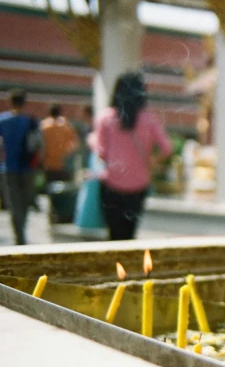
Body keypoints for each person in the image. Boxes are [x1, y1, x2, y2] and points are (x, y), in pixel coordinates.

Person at [94, 71, 172, 240]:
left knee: (114, 236)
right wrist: (152, 161)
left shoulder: (105, 118)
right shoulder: (150, 119)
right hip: (138, 186)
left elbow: (101, 153)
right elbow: (167, 148)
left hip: (111, 186)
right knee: (129, 237)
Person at [0, 89, 41, 245]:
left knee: (14, 203)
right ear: (24, 103)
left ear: (10, 102)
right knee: (24, 202)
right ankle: (21, 231)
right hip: (28, 168)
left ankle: (19, 235)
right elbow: (39, 145)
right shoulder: (31, 120)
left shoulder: (1, 120)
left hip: (9, 167)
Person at [40, 104, 78, 183]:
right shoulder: (66, 126)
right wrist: (65, 153)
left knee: (49, 187)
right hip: (63, 163)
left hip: (48, 163)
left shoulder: (43, 126)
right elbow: (74, 144)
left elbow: (40, 144)